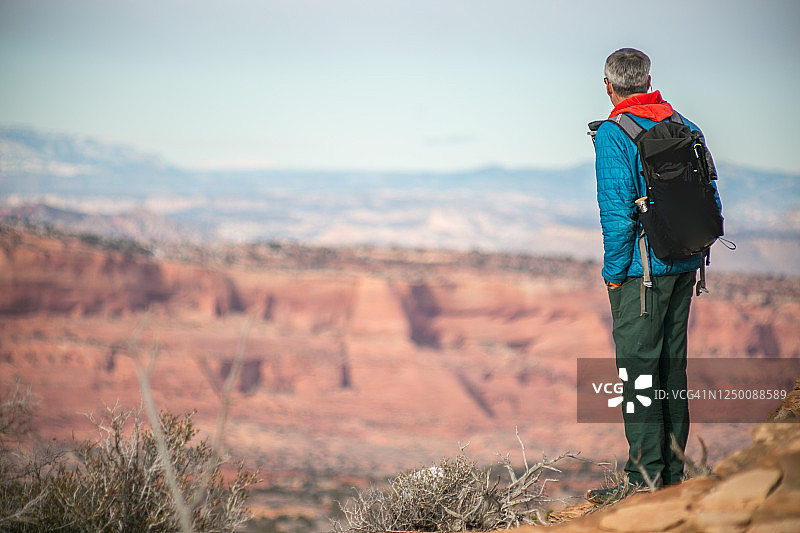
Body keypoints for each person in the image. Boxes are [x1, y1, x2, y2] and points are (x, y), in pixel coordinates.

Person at [588, 48, 720, 496]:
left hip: (642, 274)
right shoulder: (685, 124)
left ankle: (644, 484)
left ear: (609, 86)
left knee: (640, 376)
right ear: (648, 80)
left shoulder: (613, 134)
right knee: (671, 370)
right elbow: (711, 196)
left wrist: (612, 272)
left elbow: (617, 216)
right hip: (685, 264)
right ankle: (672, 478)